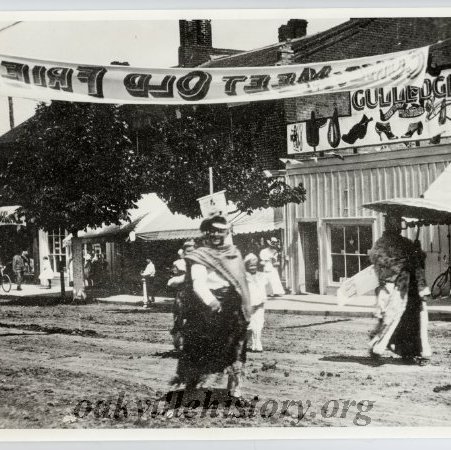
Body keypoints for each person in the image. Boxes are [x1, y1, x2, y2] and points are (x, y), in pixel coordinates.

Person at [174, 214, 252, 398]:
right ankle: (193, 387)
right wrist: (212, 302)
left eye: (221, 230)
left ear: (226, 232)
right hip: (208, 307)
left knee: (237, 345)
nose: (217, 234)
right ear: (207, 232)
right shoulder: (199, 256)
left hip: (232, 305)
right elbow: (198, 284)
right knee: (199, 346)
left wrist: (248, 303)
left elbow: (242, 281)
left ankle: (235, 386)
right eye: (213, 230)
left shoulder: (234, 253)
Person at [369, 214, 432, 363]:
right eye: (392, 223)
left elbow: (417, 264)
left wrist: (417, 252)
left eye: (396, 222)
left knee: (415, 318)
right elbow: (377, 261)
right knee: (390, 318)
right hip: (392, 286)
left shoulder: (406, 243)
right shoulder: (381, 244)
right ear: (387, 224)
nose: (395, 226)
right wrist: (403, 262)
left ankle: (415, 351)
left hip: (409, 287)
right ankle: (377, 346)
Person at [167, 239, 195, 350]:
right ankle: (178, 343)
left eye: (193, 251)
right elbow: (170, 281)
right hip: (183, 295)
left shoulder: (200, 263)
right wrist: (185, 278)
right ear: (184, 252)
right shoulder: (178, 264)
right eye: (188, 251)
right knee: (180, 319)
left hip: (196, 294)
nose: (191, 253)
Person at [244, 253, 269, 352]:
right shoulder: (244, 276)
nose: (253, 267)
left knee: (259, 323)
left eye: (255, 265)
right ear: (246, 266)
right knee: (249, 324)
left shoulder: (262, 275)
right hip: (248, 304)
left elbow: (266, 288)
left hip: (259, 303)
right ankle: (243, 344)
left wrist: (263, 298)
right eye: (250, 265)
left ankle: (257, 344)